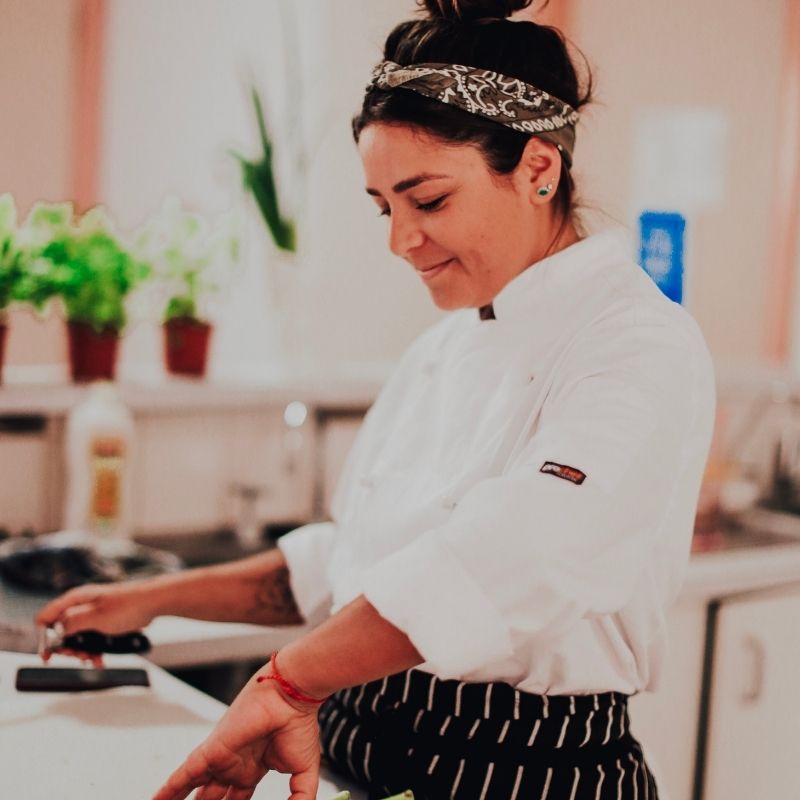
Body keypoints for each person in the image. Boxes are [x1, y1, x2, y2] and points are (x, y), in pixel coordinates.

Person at [37, 1, 716, 798]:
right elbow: (350, 565)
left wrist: (288, 682)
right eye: (383, 207)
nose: (400, 241)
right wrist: (147, 601)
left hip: (519, 768)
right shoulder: (448, 343)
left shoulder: (636, 343)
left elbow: (516, 562)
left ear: (539, 169)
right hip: (358, 745)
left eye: (427, 201)